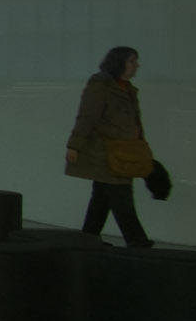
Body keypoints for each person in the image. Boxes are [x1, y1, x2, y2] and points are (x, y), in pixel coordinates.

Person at [64, 46, 154, 247]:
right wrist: (74, 146)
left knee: (102, 198)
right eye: (132, 61)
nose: (136, 66)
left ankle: (87, 239)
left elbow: (135, 123)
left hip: (123, 153)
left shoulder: (127, 89)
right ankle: (138, 242)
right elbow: (87, 117)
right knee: (121, 196)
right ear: (119, 62)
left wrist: (141, 150)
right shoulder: (101, 85)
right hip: (105, 154)